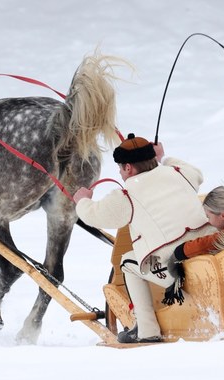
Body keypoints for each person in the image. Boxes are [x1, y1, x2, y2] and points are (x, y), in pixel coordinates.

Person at [73, 133, 211, 343]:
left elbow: (95, 215)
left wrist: (82, 201)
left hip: (176, 270)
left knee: (127, 262)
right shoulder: (177, 173)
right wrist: (163, 157)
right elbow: (197, 175)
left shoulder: (127, 194)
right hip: (208, 253)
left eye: (120, 168)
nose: (120, 173)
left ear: (128, 167)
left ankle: (146, 330)